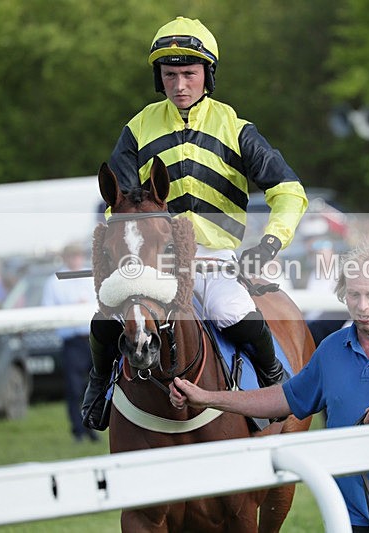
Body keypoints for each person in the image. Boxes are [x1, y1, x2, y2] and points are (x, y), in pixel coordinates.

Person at [81, 17, 308, 430]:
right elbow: (121, 203)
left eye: (189, 74)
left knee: (230, 309)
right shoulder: (137, 129)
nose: (180, 85)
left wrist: (270, 244)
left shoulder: (237, 129)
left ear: (208, 74)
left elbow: (289, 191)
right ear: (159, 78)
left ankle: (274, 380)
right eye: (170, 76)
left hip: (213, 259)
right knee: (106, 317)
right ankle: (99, 386)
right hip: (154, 262)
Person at [170, 244, 369, 532]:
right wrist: (208, 398)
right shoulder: (333, 348)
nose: (362, 306)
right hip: (351, 519)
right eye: (354, 295)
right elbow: (284, 398)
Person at [42, 243, 100, 443]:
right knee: (75, 389)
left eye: (78, 255)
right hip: (73, 341)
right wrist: (72, 309)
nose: (76, 259)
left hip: (93, 339)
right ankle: (78, 430)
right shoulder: (54, 281)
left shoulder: (92, 276)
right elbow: (48, 310)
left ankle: (93, 427)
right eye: (72, 256)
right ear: (66, 258)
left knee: (95, 387)